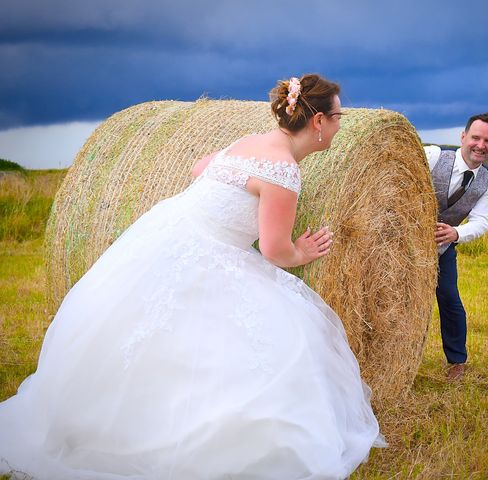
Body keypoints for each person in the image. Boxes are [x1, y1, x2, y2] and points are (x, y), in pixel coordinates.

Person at [0, 74, 384, 479]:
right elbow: (274, 249)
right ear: (319, 122)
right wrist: (302, 251)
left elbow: (200, 166)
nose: (342, 124)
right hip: (209, 251)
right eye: (339, 116)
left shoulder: (250, 142)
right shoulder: (284, 171)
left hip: (170, 230)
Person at [424, 113, 488, 381]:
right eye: (476, 138)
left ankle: (457, 361)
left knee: (449, 299)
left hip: (441, 247)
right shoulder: (433, 156)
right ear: (463, 137)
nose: (481, 145)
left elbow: (481, 222)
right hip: (399, 243)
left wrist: (456, 233)